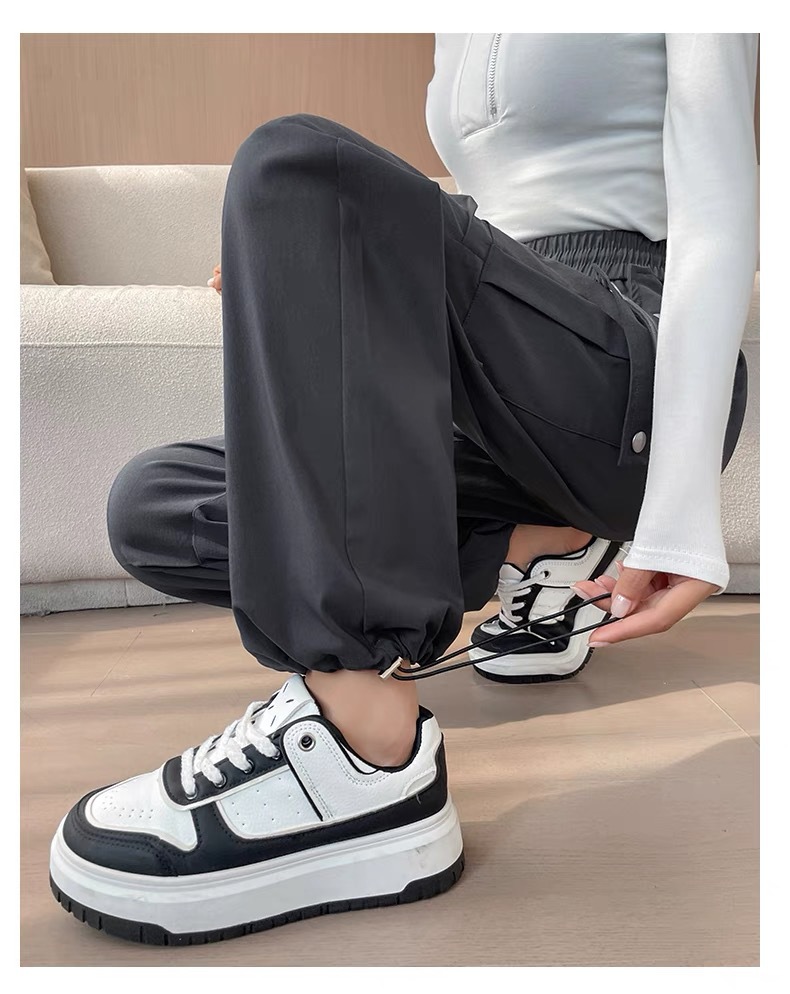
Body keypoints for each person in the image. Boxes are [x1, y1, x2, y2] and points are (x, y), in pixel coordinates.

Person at [49, 33, 758, 945]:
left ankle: (363, 744)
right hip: (495, 375)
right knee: (156, 504)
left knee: (298, 162)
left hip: (627, 358)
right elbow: (497, 215)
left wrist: (680, 520)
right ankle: (536, 545)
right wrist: (320, 260)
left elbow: (719, 212)